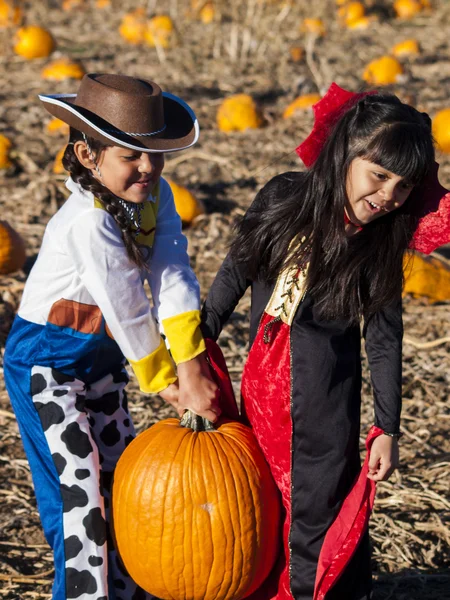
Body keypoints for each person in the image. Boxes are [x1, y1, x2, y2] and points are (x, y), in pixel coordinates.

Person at [201, 84, 450, 600]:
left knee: (315, 517)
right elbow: (233, 275)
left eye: (403, 187)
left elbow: (384, 340)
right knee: (257, 513)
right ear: (344, 154)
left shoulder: (379, 245)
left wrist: (387, 425)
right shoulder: (281, 198)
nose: (388, 196)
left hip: (322, 407)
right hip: (259, 399)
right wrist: (196, 349)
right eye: (378, 175)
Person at [3, 73, 220, 600]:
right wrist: (169, 383)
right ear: (88, 153)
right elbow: (125, 305)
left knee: (123, 490)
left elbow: (171, 272)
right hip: (45, 367)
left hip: (100, 363)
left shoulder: (156, 196)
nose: (148, 167)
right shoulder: (86, 221)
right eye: (130, 155)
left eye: (155, 154)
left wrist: (191, 364)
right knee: (79, 503)